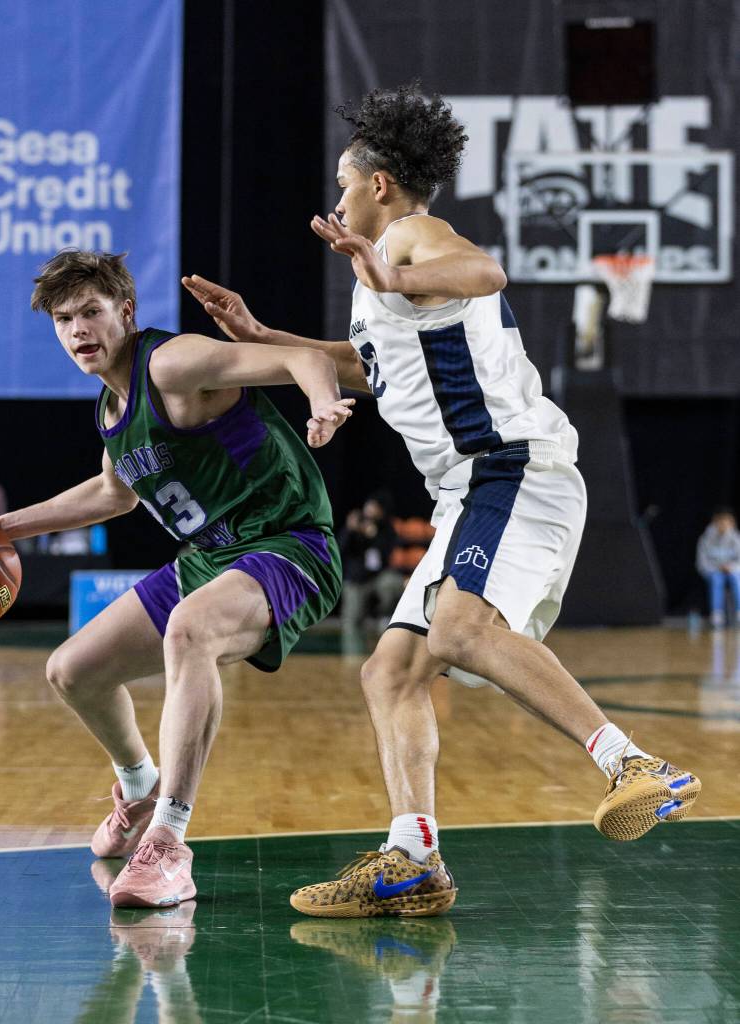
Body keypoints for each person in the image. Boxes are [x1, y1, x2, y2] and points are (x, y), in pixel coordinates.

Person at [182, 83, 701, 918]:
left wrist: (388, 265)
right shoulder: (386, 275)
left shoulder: (413, 239)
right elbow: (368, 368)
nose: (338, 197)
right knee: (390, 671)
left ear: (379, 185)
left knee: (459, 631)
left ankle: (631, 763)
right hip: (469, 487)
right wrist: (261, 336)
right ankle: (414, 857)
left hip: (512, 468)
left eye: (346, 182)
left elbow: (486, 269)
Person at [0, 249, 352, 909]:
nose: (79, 328)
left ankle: (169, 841)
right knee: (73, 669)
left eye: (91, 311)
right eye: (64, 318)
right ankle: (139, 785)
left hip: (287, 545)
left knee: (190, 631)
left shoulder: (170, 362)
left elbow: (299, 359)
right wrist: (2, 529)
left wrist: (321, 404)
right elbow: (115, 494)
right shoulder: (111, 408)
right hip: (208, 556)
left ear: (126, 312)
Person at [339, 492, 404, 647]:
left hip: (378, 576)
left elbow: (386, 554)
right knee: (352, 621)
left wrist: (373, 535)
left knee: (392, 582)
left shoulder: (387, 527)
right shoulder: (355, 524)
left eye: (374, 506)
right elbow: (340, 550)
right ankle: (353, 658)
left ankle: (385, 615)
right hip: (357, 579)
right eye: (369, 505)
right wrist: (350, 530)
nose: (370, 509)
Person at [696, 508, 740, 627]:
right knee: (716, 580)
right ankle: (717, 614)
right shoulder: (705, 539)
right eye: (720, 522)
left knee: (737, 580)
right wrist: (716, 568)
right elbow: (702, 562)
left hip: (733, 570)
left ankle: (738, 612)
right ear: (715, 523)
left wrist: (731, 567)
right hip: (713, 570)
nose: (723, 525)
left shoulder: (736, 538)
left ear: (732, 523)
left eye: (726, 522)